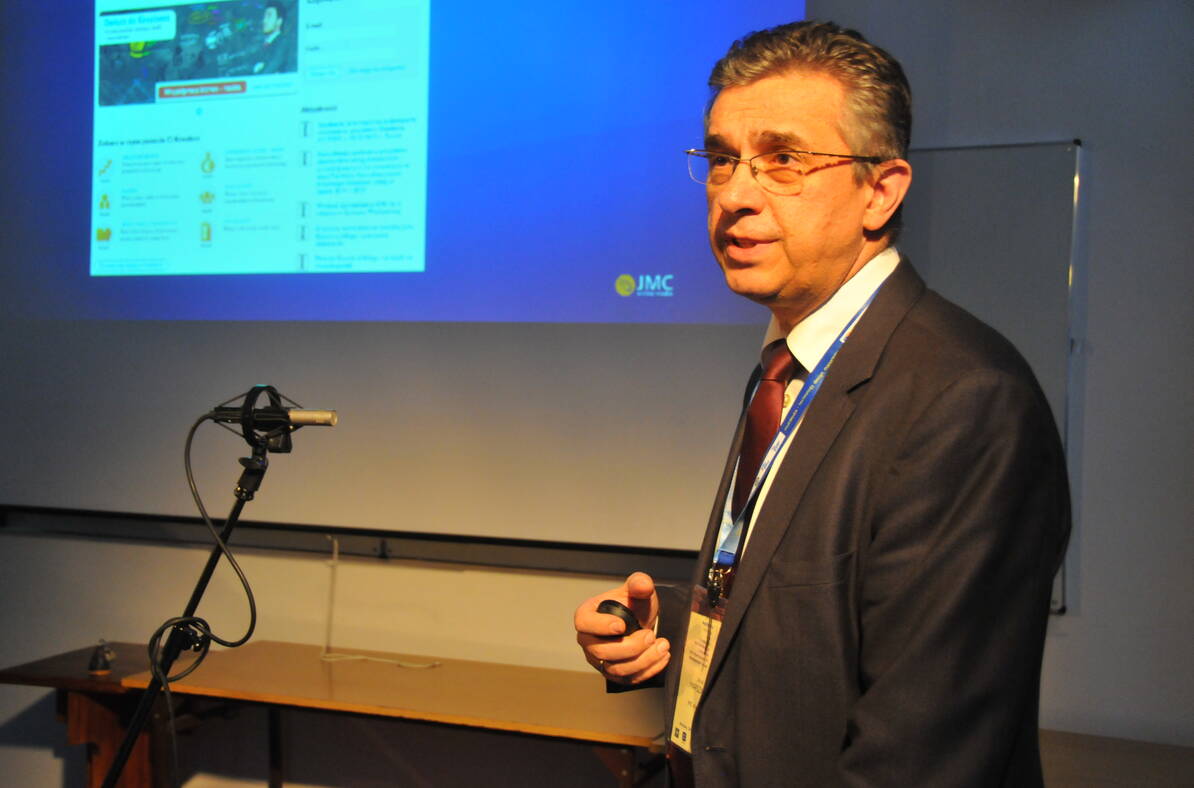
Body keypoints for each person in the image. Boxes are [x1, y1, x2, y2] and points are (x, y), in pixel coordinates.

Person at [573, 20, 1070, 787]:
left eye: (783, 160)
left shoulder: (967, 400)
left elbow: (920, 752)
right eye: (722, 159)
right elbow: (816, 605)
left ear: (880, 191)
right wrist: (667, 625)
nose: (735, 195)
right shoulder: (787, 366)